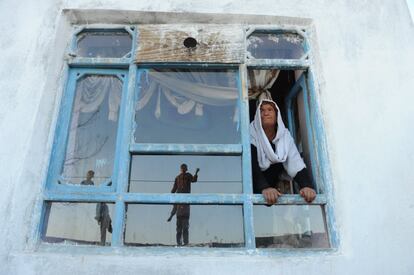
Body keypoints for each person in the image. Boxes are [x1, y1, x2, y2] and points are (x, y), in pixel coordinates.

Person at [250, 99, 316, 205]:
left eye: (270, 110)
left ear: (277, 116)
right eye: (261, 111)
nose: (266, 113)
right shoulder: (251, 134)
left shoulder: (285, 136)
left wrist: (306, 186)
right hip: (252, 191)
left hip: (272, 198)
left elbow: (296, 163)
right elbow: (251, 164)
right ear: (257, 116)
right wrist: (264, 188)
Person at [167, 164, 199, 246]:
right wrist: (170, 195)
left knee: (185, 228)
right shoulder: (177, 178)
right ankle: (179, 243)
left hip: (185, 209)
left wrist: (196, 173)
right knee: (179, 229)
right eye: (183, 168)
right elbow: (174, 189)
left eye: (185, 168)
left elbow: (194, 180)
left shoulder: (188, 176)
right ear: (181, 169)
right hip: (179, 212)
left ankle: (185, 243)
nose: (184, 169)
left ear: (186, 169)